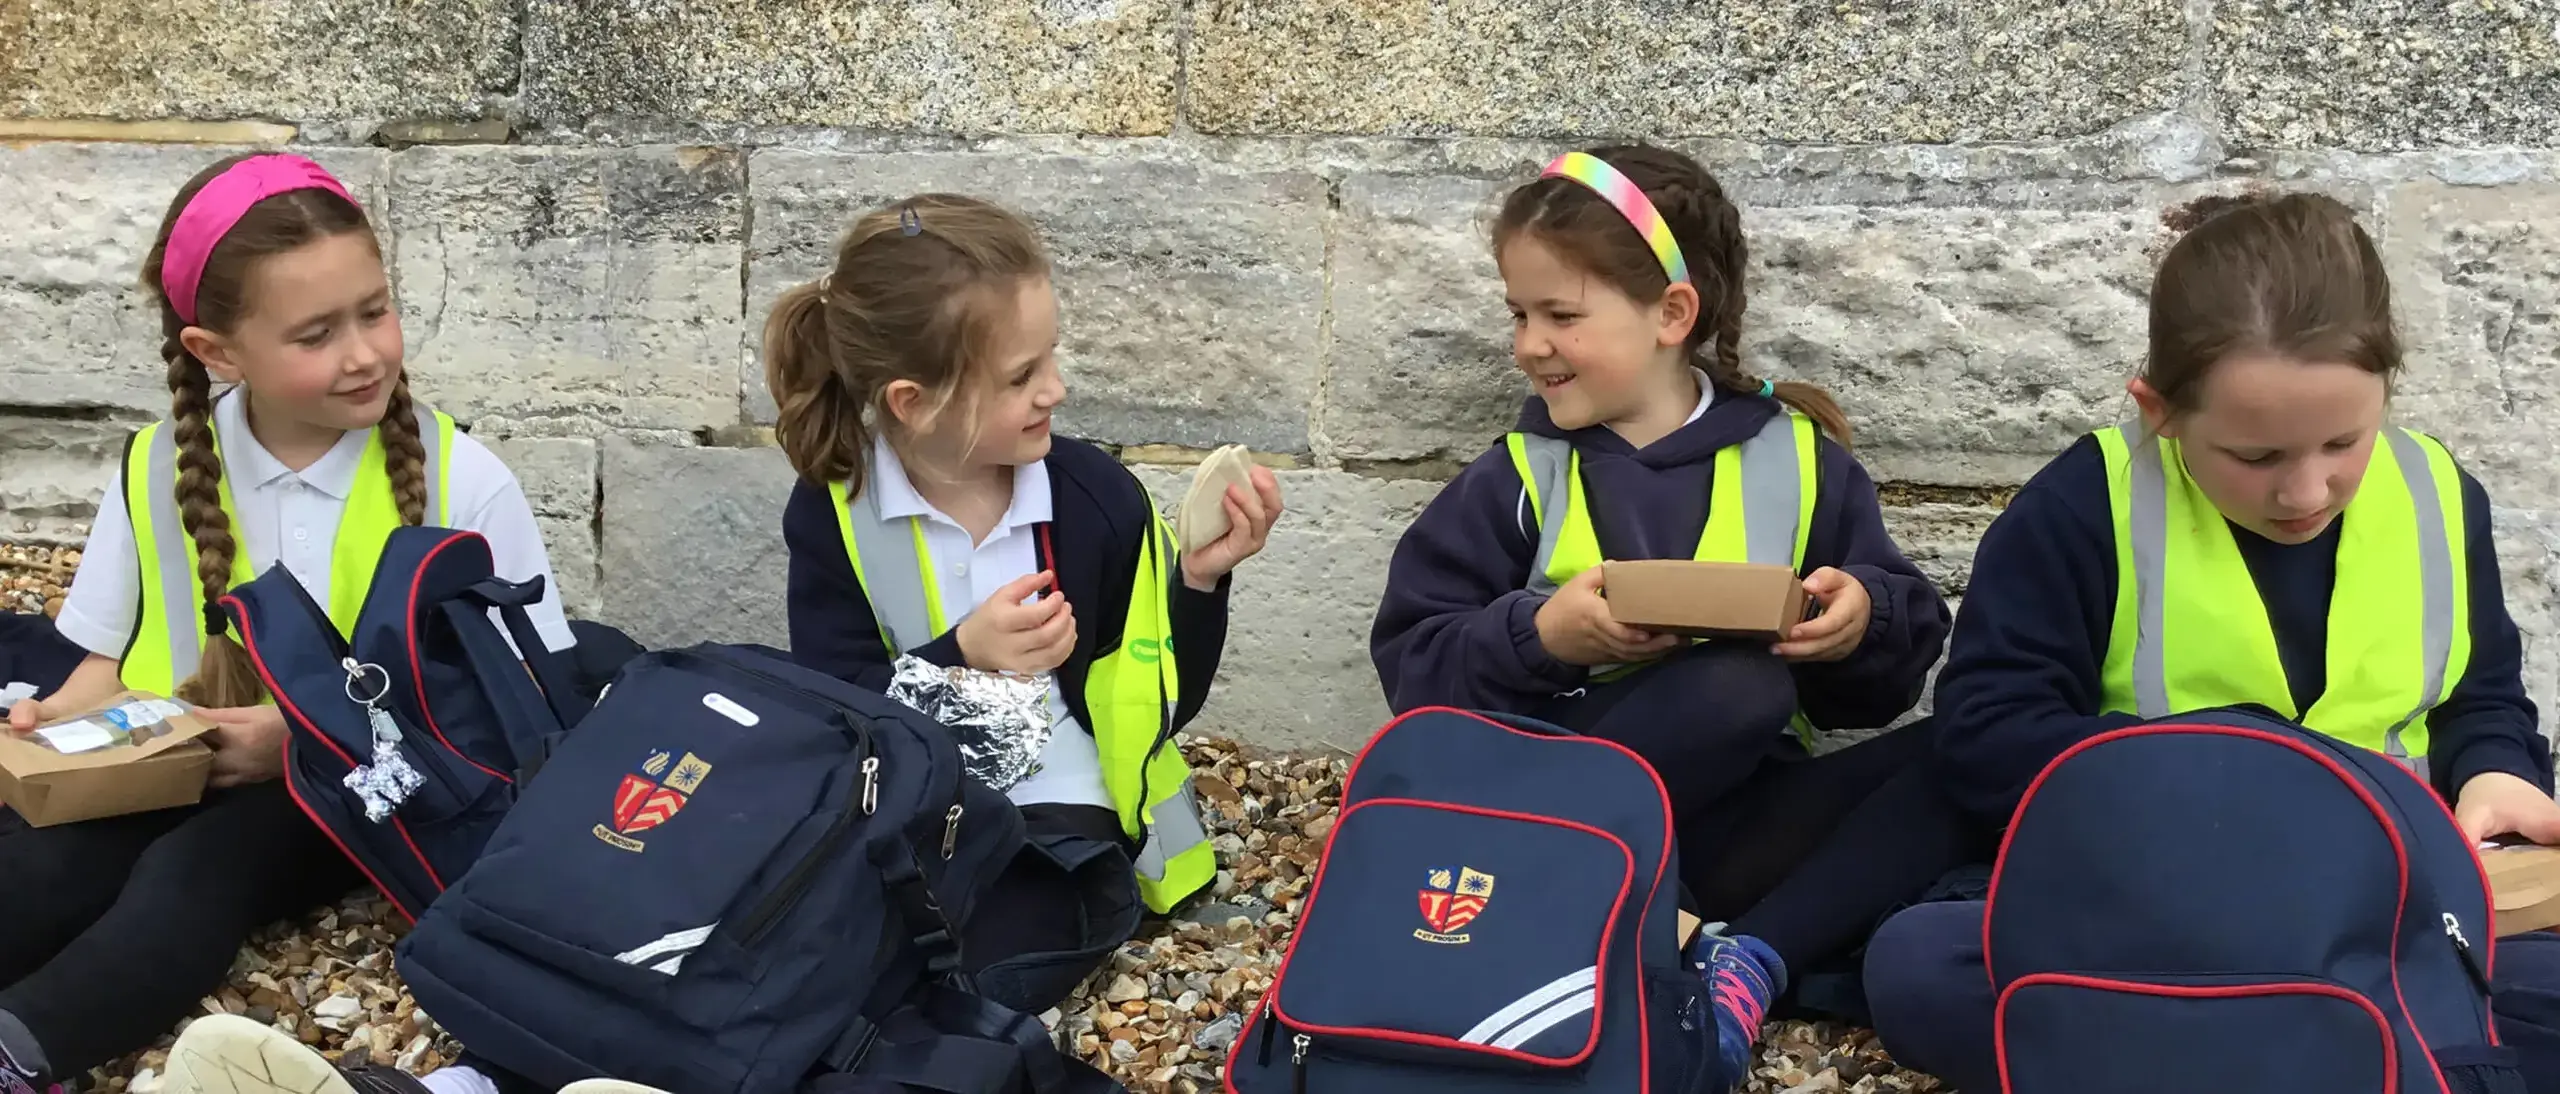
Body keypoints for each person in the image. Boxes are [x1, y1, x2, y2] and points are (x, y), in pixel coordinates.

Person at [1860, 190, 2560, 1091]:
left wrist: (2499, 770)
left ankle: (2235, 1049)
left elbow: (2483, 696)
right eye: (2257, 458)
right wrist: (2253, 773)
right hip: (2156, 904)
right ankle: (2375, 1053)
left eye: (2344, 441)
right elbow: (1988, 736)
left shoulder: (2437, 493)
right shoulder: (2081, 507)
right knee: (1921, 965)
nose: (2306, 491)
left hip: (2384, 915)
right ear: (2159, 409)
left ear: (2390, 385)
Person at [1368, 143, 1968, 1092]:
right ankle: (1640, 929)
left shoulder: (1802, 460)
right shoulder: (1518, 476)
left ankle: (1742, 959)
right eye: (1519, 314)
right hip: (1556, 816)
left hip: (1734, 829)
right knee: (1735, 687)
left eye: (1561, 314)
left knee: (1967, 752)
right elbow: (1414, 669)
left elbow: (1887, 672)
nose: (1529, 343)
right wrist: (1542, 637)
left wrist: (1861, 622)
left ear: (1672, 316)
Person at [0, 153, 581, 1094]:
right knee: (48, 859)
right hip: (172, 763)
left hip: (359, 795)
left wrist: (303, 738)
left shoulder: (462, 477)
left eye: (374, 311)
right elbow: (102, 664)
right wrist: (48, 736)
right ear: (216, 352)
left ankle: (24, 1050)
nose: (363, 354)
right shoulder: (154, 466)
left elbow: (532, 702)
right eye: (316, 334)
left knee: (196, 871)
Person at [773, 193, 1280, 1013]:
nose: (1057, 388)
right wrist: (961, 655)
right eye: (1021, 376)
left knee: (1040, 902)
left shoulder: (1097, 500)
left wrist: (1199, 579)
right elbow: (830, 704)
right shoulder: (836, 509)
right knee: (842, 908)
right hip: (908, 796)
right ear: (913, 402)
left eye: (1051, 357)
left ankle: (929, 1022)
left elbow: (1160, 701)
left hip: (1059, 796)